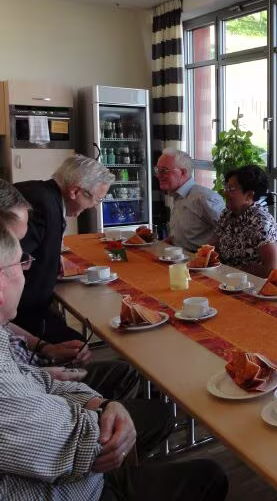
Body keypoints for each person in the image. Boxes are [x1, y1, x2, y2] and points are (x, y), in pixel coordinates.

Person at [0, 225, 229, 501]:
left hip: (68, 461)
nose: (27, 272)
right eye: (21, 264)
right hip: (73, 490)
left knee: (155, 411)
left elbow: (37, 378)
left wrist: (103, 404)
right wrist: (110, 419)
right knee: (210, 476)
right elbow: (77, 447)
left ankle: (129, 465)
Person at [0, 178, 138, 399]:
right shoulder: (47, 205)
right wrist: (97, 407)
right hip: (43, 393)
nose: (25, 265)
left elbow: (5, 328)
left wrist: (45, 348)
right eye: (16, 250)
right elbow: (21, 397)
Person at [15, 154, 115, 343]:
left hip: (27, 306)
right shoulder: (42, 207)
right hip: (19, 312)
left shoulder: (40, 192)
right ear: (75, 191)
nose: (94, 207)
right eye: (96, 200)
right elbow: (12, 259)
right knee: (76, 345)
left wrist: (52, 259)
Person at [212, 164, 277, 277]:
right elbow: (213, 247)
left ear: (249, 195)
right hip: (225, 278)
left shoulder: (260, 222)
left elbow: (273, 270)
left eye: (231, 189)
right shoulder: (227, 214)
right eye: (226, 187)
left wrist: (235, 271)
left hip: (251, 283)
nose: (225, 193)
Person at [156, 148, 224, 252]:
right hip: (179, 257)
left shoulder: (204, 197)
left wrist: (202, 254)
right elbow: (180, 239)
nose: (158, 175)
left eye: (164, 171)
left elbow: (229, 231)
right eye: (157, 170)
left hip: (199, 261)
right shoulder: (177, 195)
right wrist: (157, 247)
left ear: (183, 173)